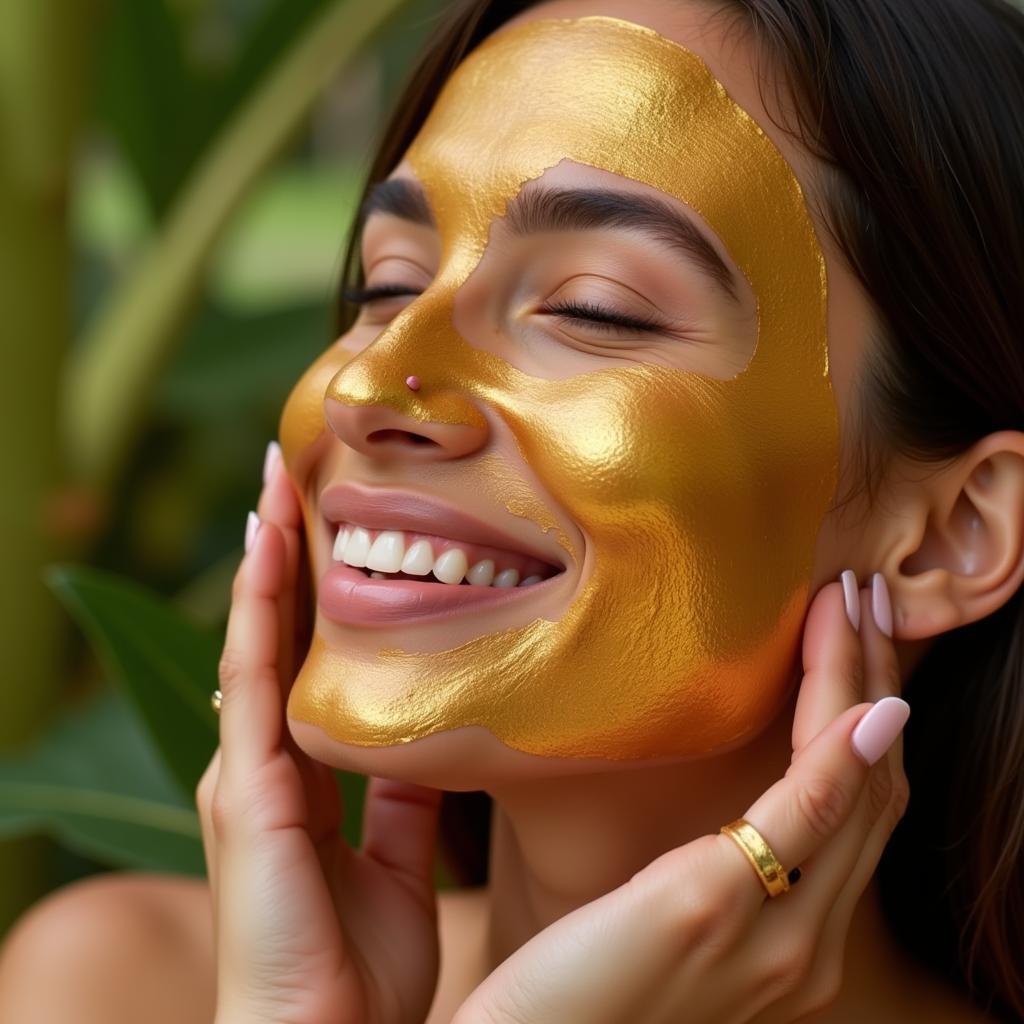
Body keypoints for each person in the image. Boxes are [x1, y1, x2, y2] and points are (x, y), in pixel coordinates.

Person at [1, 0, 1022, 1021]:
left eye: (593, 307)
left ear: (950, 533)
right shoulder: (120, 982)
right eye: (388, 285)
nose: (366, 388)